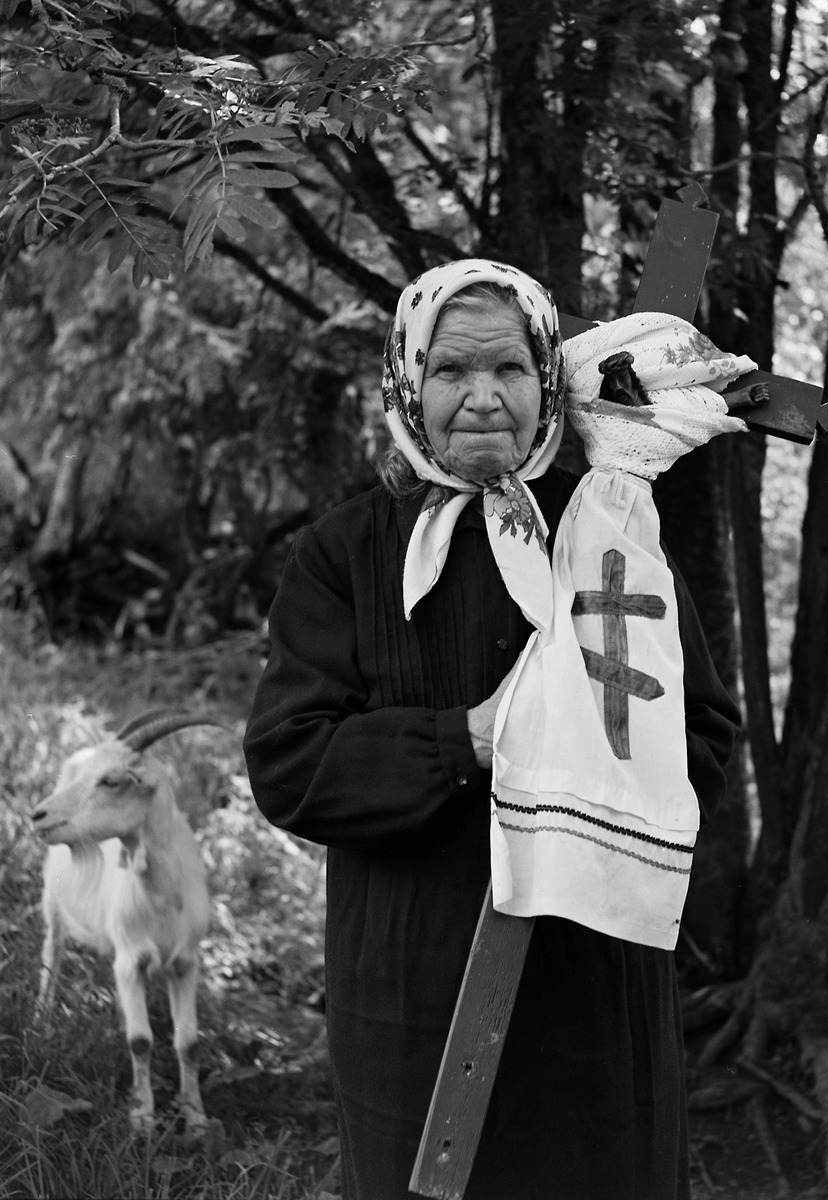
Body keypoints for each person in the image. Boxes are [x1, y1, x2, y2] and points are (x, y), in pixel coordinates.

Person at [243, 259, 741, 1200]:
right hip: (411, 988)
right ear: (405, 380)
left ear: (546, 379)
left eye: (509, 370)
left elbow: (704, 736)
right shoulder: (344, 553)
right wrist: (470, 738)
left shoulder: (607, 530)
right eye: (450, 371)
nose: (482, 399)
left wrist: (598, 775)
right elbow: (290, 762)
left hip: (592, 981)